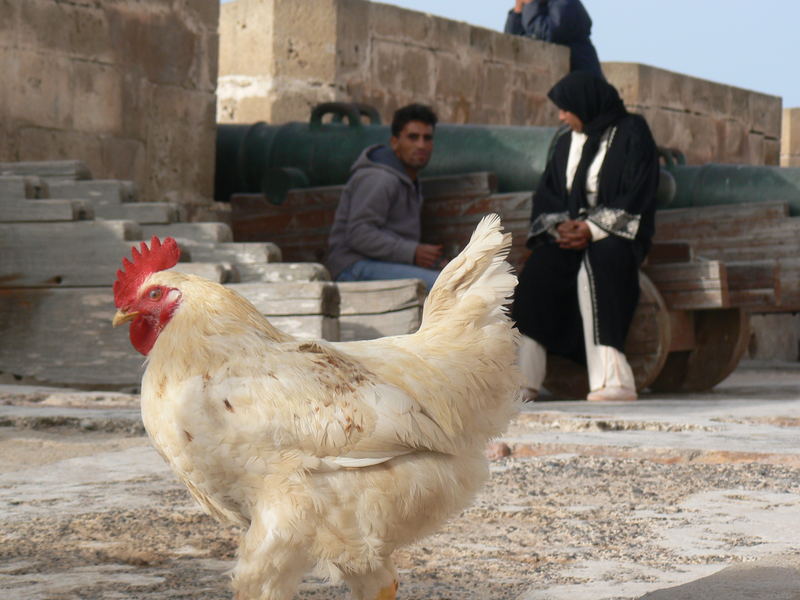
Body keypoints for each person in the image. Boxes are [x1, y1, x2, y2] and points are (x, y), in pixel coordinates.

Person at [512, 71, 659, 402]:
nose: (562, 116)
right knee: (540, 271)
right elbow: (548, 194)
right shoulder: (566, 140)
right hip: (570, 233)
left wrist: (592, 229)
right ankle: (523, 380)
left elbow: (638, 191)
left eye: (566, 108)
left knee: (600, 264)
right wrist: (560, 227)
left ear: (585, 104)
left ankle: (613, 380)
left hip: (618, 235)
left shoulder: (632, 132)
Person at [326, 103, 442, 290]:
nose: (421, 145)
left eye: (427, 138)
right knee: (445, 288)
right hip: (353, 268)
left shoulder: (408, 180)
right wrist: (412, 252)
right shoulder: (380, 178)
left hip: (381, 264)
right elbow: (358, 233)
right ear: (395, 142)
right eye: (413, 137)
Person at [504, 0, 603, 79]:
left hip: (583, 88)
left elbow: (549, 34)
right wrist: (518, 9)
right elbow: (512, 43)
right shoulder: (536, 8)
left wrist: (530, 4)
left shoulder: (567, 4)